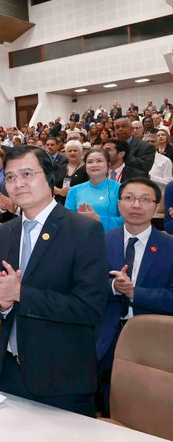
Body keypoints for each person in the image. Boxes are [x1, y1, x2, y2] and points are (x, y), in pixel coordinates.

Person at [0, 146, 108, 417]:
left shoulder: (83, 230)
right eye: (10, 177)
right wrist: (2, 303)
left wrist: (20, 293)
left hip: (61, 378)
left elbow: (89, 308)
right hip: (11, 370)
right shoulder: (4, 233)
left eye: (27, 174)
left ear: (49, 177)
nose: (18, 183)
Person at [96, 178, 173, 415]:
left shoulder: (169, 246)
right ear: (119, 203)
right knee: (101, 405)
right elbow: (85, 287)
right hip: (104, 336)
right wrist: (113, 287)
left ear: (156, 206)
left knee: (142, 410)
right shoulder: (101, 242)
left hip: (152, 341)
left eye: (145, 199)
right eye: (129, 198)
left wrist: (134, 292)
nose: (136, 205)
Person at [65, 148, 123, 233]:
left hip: (111, 238)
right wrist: (79, 218)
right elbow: (67, 220)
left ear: (108, 164)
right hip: (82, 237)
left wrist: (98, 218)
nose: (94, 165)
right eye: (90, 162)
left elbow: (127, 220)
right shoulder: (75, 190)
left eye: (99, 161)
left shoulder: (120, 189)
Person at [53, 140, 88, 204]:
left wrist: (73, 191)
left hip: (79, 204)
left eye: (75, 150)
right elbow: (51, 186)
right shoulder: (61, 168)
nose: (72, 153)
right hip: (60, 204)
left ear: (81, 152)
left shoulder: (87, 169)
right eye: (69, 151)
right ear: (66, 154)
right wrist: (60, 191)